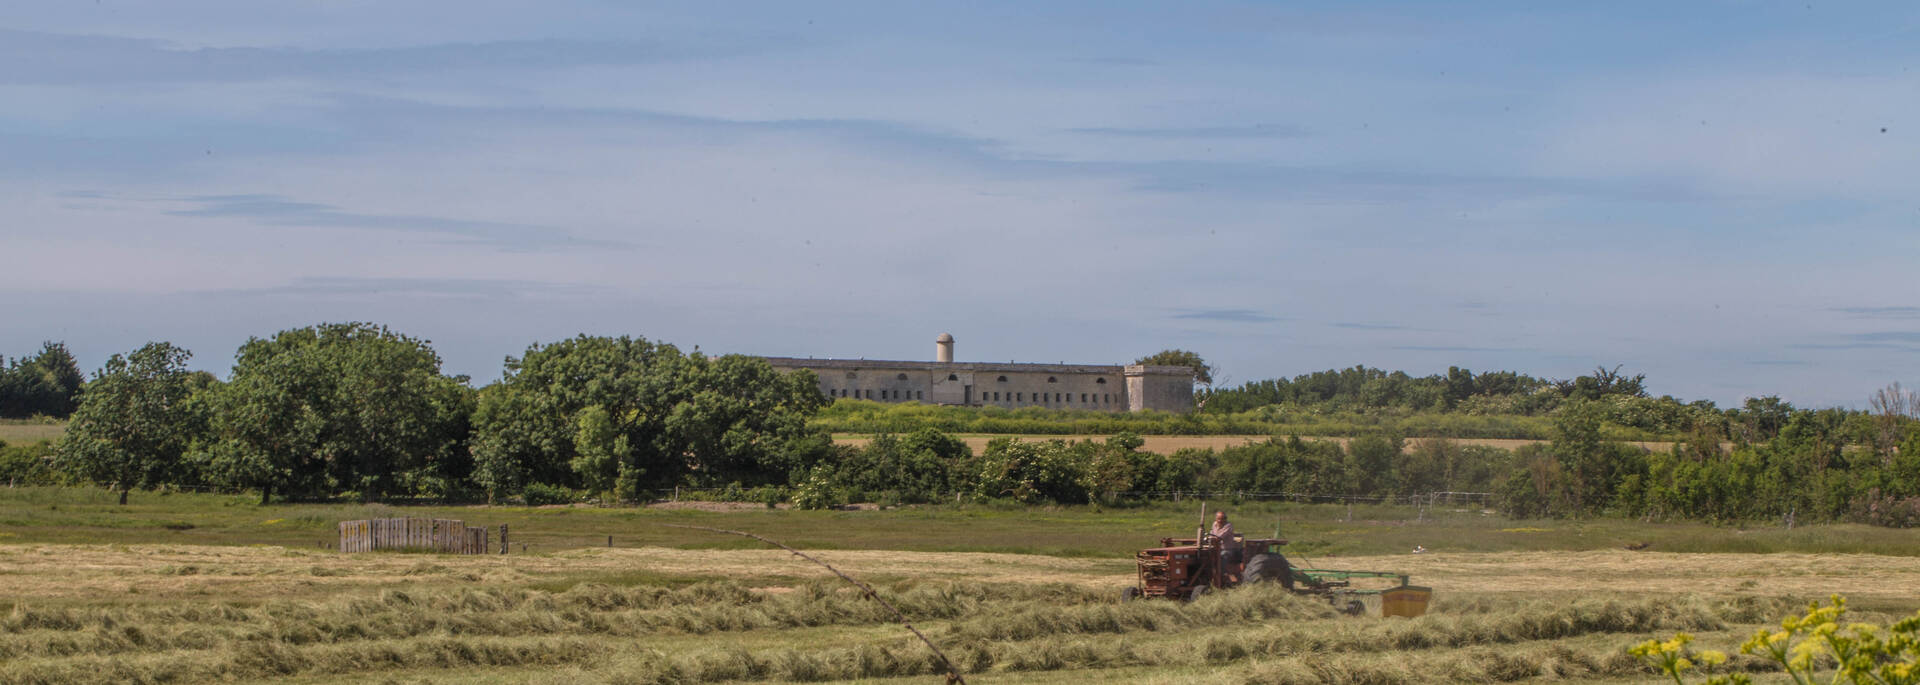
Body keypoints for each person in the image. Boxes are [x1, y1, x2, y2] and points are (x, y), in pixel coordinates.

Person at [1210, 510, 1243, 580]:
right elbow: (1211, 534)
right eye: (1218, 519)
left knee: (1222, 556)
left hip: (1227, 549)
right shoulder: (1214, 524)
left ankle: (1222, 575)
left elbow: (1219, 537)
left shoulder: (1228, 526)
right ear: (1216, 519)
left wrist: (1211, 538)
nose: (1220, 520)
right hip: (1216, 548)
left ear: (1225, 519)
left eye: (1222, 519)